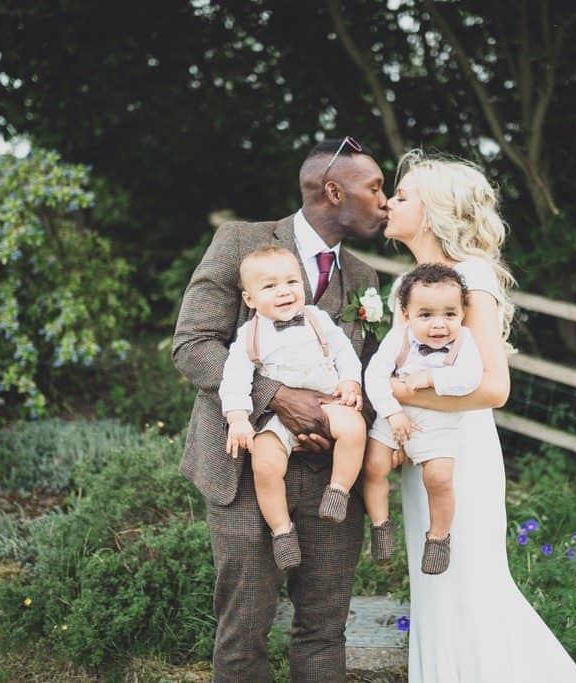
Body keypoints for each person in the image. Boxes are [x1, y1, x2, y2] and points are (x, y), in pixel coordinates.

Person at [172, 137, 386, 682]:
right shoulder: (239, 242)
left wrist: (344, 427)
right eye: (376, 188)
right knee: (243, 632)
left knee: (323, 630)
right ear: (334, 191)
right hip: (244, 468)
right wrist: (277, 401)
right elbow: (193, 346)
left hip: (330, 479)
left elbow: (366, 374)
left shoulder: (365, 278)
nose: (385, 201)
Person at [383, 150, 576, 682]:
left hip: (463, 457)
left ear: (431, 212)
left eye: (401, 196)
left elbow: (494, 387)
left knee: (470, 590)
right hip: (424, 454)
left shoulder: (470, 276)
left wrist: (397, 392)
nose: (387, 202)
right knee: (436, 596)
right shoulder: (416, 282)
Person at [219, 246, 368, 571]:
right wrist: (239, 417)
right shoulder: (250, 335)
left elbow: (344, 352)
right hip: (278, 418)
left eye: (291, 282)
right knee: (264, 462)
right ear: (250, 300)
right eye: (269, 286)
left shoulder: (318, 318)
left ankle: (338, 490)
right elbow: (234, 378)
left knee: (355, 428)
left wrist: (350, 382)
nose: (284, 291)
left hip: (327, 402)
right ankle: (281, 531)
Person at [362, 263, 483, 575]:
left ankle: (438, 537)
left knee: (439, 478)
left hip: (438, 419)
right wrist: (392, 412)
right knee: (374, 466)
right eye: (426, 315)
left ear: (462, 314)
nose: (438, 325)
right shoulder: (398, 338)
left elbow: (470, 378)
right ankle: (380, 525)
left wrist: (429, 377)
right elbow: (374, 376)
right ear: (406, 314)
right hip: (394, 414)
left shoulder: (464, 342)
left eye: (449, 315)